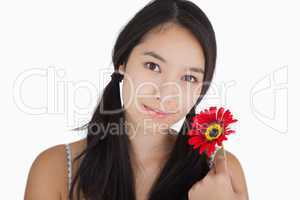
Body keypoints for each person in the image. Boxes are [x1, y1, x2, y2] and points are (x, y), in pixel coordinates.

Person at [24, 0, 248, 199]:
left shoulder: (221, 175)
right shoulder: (55, 170)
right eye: (153, 66)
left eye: (189, 77)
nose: (166, 93)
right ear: (122, 62)